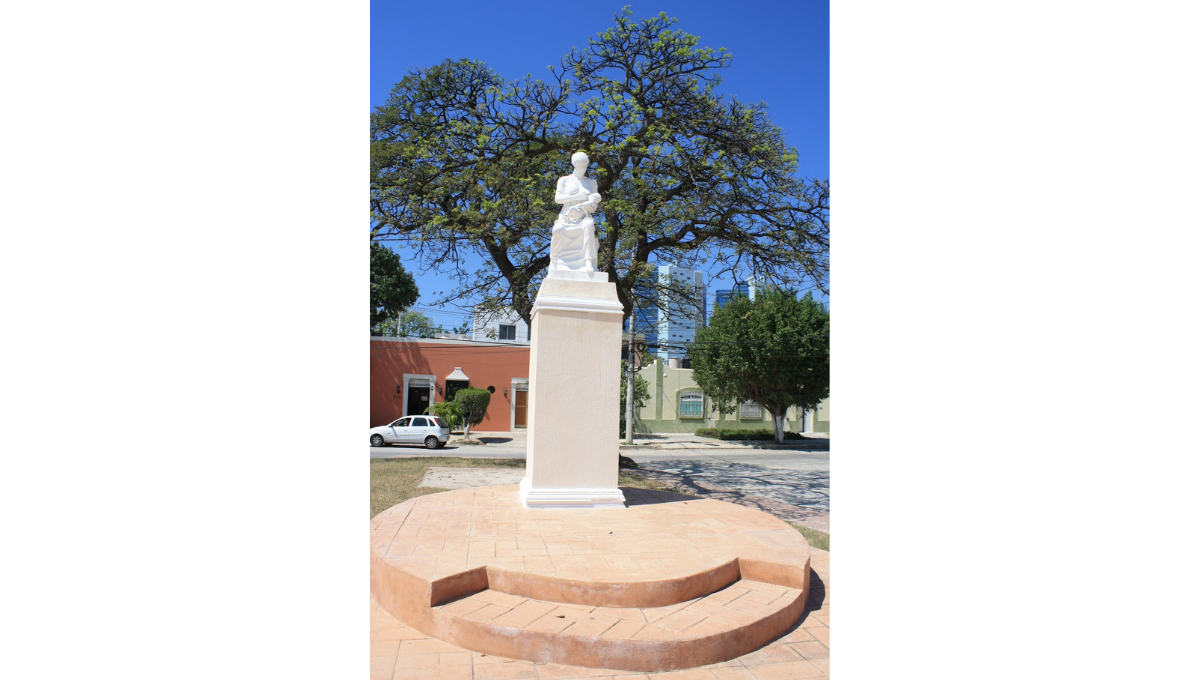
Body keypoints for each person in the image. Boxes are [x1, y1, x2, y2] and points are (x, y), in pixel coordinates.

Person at [550, 151, 601, 272]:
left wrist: (591, 205)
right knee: (558, 230)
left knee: (589, 226)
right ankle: (554, 259)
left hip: (584, 217)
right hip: (567, 217)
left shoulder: (591, 182)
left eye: (585, 165)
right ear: (574, 165)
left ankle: (588, 261)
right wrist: (578, 196)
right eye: (581, 165)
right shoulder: (564, 180)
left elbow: (595, 203)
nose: (583, 168)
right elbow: (558, 199)